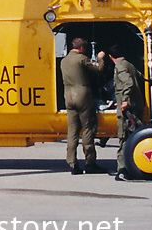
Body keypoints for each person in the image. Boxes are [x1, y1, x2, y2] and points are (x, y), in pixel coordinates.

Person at [60, 38, 106, 174]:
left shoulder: (64, 61)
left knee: (72, 131)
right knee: (88, 129)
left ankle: (72, 163)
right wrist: (100, 58)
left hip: (69, 97)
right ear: (81, 48)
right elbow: (99, 70)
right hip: (83, 96)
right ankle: (90, 162)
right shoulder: (81, 59)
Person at [109, 44, 143, 181]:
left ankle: (122, 169)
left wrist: (125, 101)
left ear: (111, 57)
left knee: (123, 137)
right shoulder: (129, 65)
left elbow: (129, 83)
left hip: (128, 109)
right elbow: (139, 77)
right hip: (136, 105)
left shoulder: (120, 67)